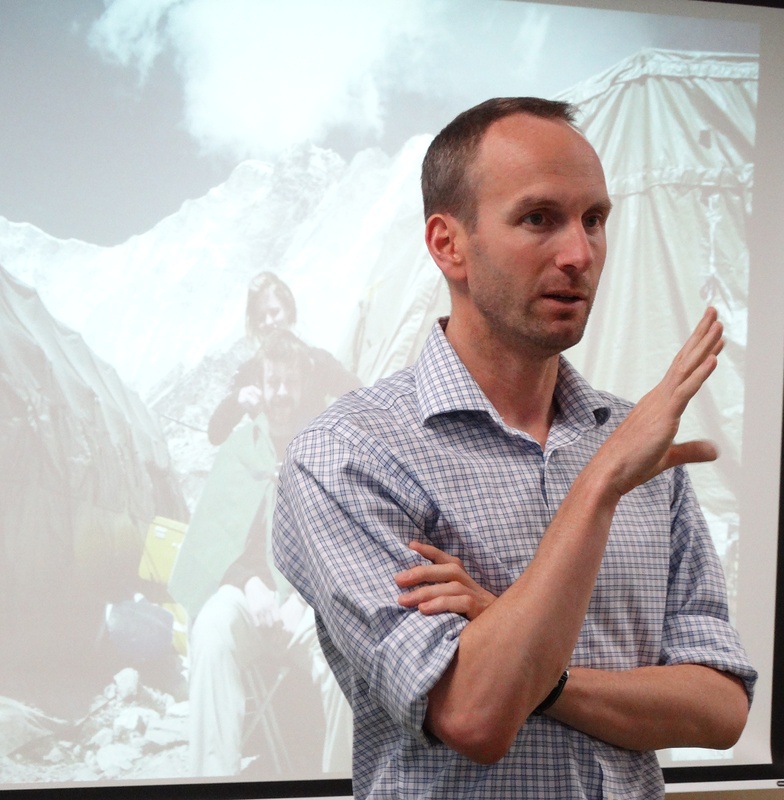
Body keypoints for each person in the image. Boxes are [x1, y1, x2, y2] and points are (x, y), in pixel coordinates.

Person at [271, 98, 756, 799]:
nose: (579, 254)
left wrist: (520, 650)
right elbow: (474, 714)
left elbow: (720, 708)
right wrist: (601, 482)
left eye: (594, 219)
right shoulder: (348, 454)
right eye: (538, 218)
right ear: (448, 245)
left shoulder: (640, 446)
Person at [172, 328, 348, 778]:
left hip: (309, 601)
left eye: (290, 382)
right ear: (261, 386)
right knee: (211, 633)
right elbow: (217, 536)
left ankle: (340, 782)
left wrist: (303, 598)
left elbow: (339, 539)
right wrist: (249, 584)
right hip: (248, 595)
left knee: (347, 657)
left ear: (302, 384)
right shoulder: (239, 447)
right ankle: (211, 780)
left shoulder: (324, 448)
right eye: (273, 383)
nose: (281, 393)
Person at [208, 271, 359, 446]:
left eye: (274, 312)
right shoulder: (248, 374)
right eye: (261, 317)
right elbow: (215, 436)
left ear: (288, 309)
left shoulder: (317, 362)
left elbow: (359, 395)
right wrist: (236, 399)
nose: (269, 322)